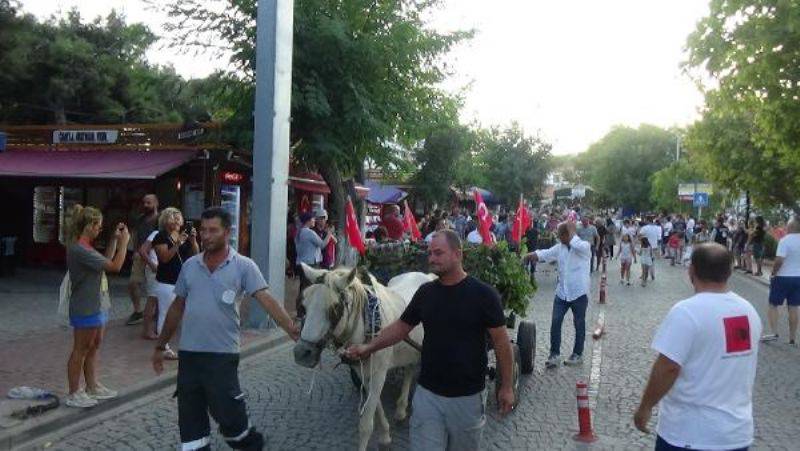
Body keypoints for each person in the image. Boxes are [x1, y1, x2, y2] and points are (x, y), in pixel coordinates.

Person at [345, 230, 514, 450]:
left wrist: (507, 387)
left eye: (438, 253)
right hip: (427, 396)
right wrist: (369, 346)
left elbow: (502, 343)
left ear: (457, 254)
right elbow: (400, 327)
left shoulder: (484, 295)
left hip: (467, 398)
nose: (432, 258)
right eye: (430, 253)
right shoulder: (425, 293)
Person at [153, 207, 300, 451]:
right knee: (190, 422)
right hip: (189, 356)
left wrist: (291, 328)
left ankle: (251, 445)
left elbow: (266, 300)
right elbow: (176, 308)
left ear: (227, 232)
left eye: (213, 230)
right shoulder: (190, 266)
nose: (206, 235)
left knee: (229, 413)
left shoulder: (243, 266)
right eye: (203, 230)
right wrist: (160, 345)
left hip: (222, 355)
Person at [634, 243, 761, 451]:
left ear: (691, 270)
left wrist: (645, 407)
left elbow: (668, 367)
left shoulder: (686, 312)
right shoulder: (749, 311)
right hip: (736, 434)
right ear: (729, 272)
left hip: (689, 433)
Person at [65, 205, 130, 408]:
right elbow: (115, 266)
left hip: (97, 303)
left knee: (93, 346)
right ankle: (74, 392)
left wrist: (112, 240)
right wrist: (124, 244)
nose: (100, 230)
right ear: (90, 226)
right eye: (99, 226)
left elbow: (105, 261)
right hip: (86, 305)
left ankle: (92, 386)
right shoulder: (79, 249)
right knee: (80, 349)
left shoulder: (87, 247)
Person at [525, 221, 592, 368]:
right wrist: (531, 255)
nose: (558, 237)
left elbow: (577, 245)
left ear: (568, 234)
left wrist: (571, 232)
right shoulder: (560, 248)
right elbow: (546, 254)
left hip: (579, 292)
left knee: (579, 323)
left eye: (560, 235)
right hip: (562, 293)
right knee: (556, 322)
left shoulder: (583, 247)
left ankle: (577, 354)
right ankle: (554, 354)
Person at [152, 207, 199, 359]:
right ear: (166, 220)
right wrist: (178, 243)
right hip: (166, 281)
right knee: (165, 313)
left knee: (186, 314)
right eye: (174, 217)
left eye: (179, 217)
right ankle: (163, 347)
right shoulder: (161, 236)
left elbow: (195, 255)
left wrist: (192, 241)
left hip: (183, 281)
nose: (178, 220)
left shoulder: (182, 236)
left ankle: (189, 344)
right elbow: (164, 258)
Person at [761, 218, 800, 346]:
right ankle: (792, 338)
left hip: (783, 277)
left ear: (790, 227)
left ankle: (774, 333)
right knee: (793, 307)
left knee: (773, 305)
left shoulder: (785, 241)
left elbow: (779, 260)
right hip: (797, 278)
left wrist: (773, 272)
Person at [126, 194, 159, 326]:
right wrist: (134, 250)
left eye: (149, 203)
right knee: (133, 283)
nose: (145, 205)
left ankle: (157, 311)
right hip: (140, 254)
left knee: (155, 286)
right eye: (144, 203)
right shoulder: (140, 219)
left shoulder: (161, 219)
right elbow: (135, 235)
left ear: (156, 203)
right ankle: (138, 311)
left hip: (156, 255)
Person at [139, 228, 160, 340]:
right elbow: (142, 250)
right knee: (152, 299)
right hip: (155, 271)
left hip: (164, 271)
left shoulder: (176, 235)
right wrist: (152, 265)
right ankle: (147, 330)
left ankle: (157, 327)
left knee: (159, 301)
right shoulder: (156, 233)